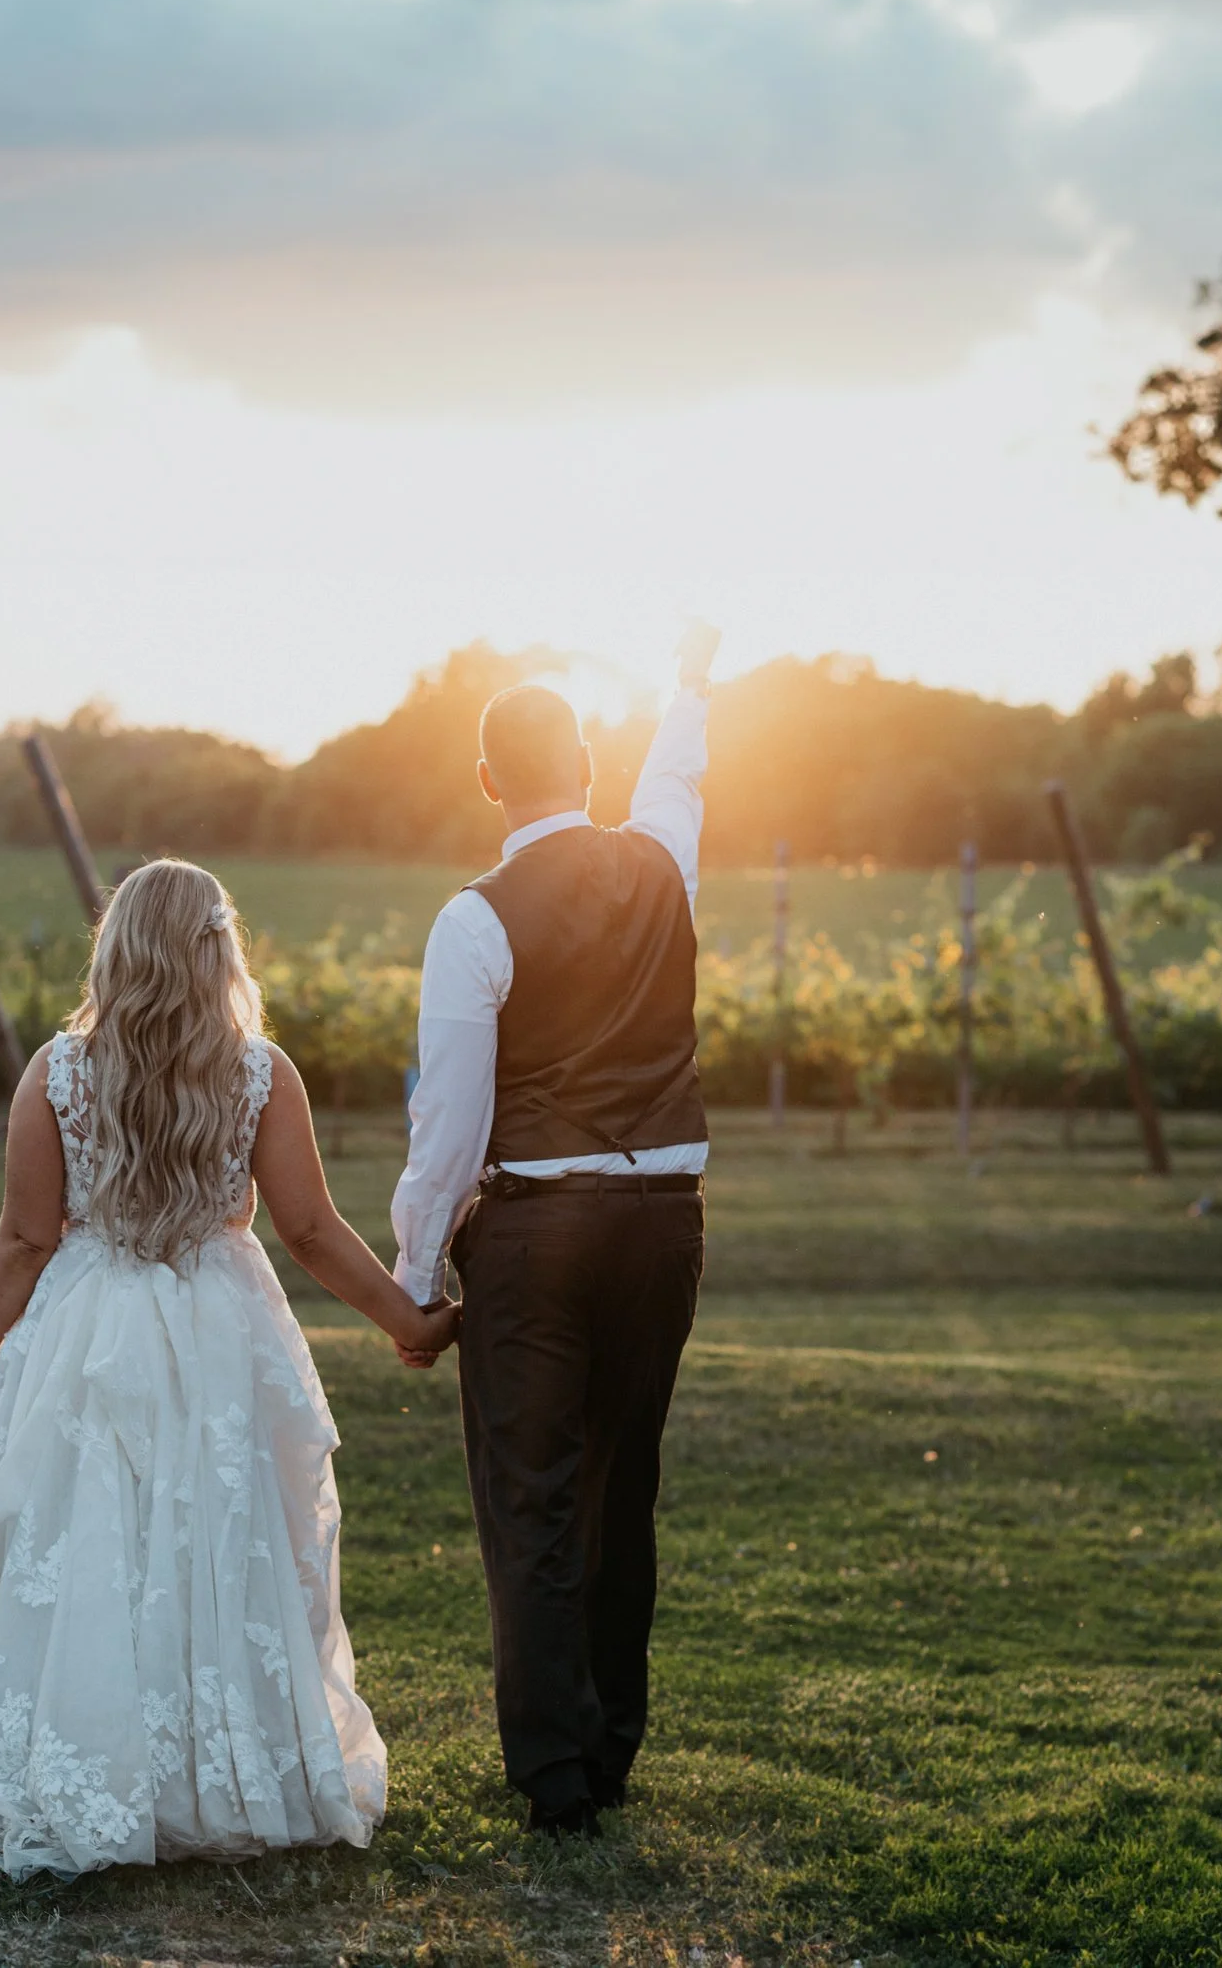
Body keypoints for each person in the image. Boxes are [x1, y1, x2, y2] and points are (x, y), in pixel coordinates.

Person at [0, 858, 461, 1879]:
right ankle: (216, 1767)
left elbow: (22, 1238)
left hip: (86, 1326)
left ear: (116, 946)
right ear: (217, 945)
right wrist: (406, 1318)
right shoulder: (258, 1071)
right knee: (211, 1535)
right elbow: (311, 1230)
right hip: (221, 1327)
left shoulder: (59, 1070)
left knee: (94, 1531)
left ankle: (96, 1763)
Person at [389, 623, 720, 1837]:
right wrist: (689, 684)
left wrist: (416, 1278)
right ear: (584, 762)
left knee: (531, 1495)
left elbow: (450, 1121)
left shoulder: (472, 919)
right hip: (664, 1223)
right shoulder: (662, 865)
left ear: (486, 783)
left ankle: (555, 1777)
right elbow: (677, 782)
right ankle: (610, 1743)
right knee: (619, 1486)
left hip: (536, 1231)